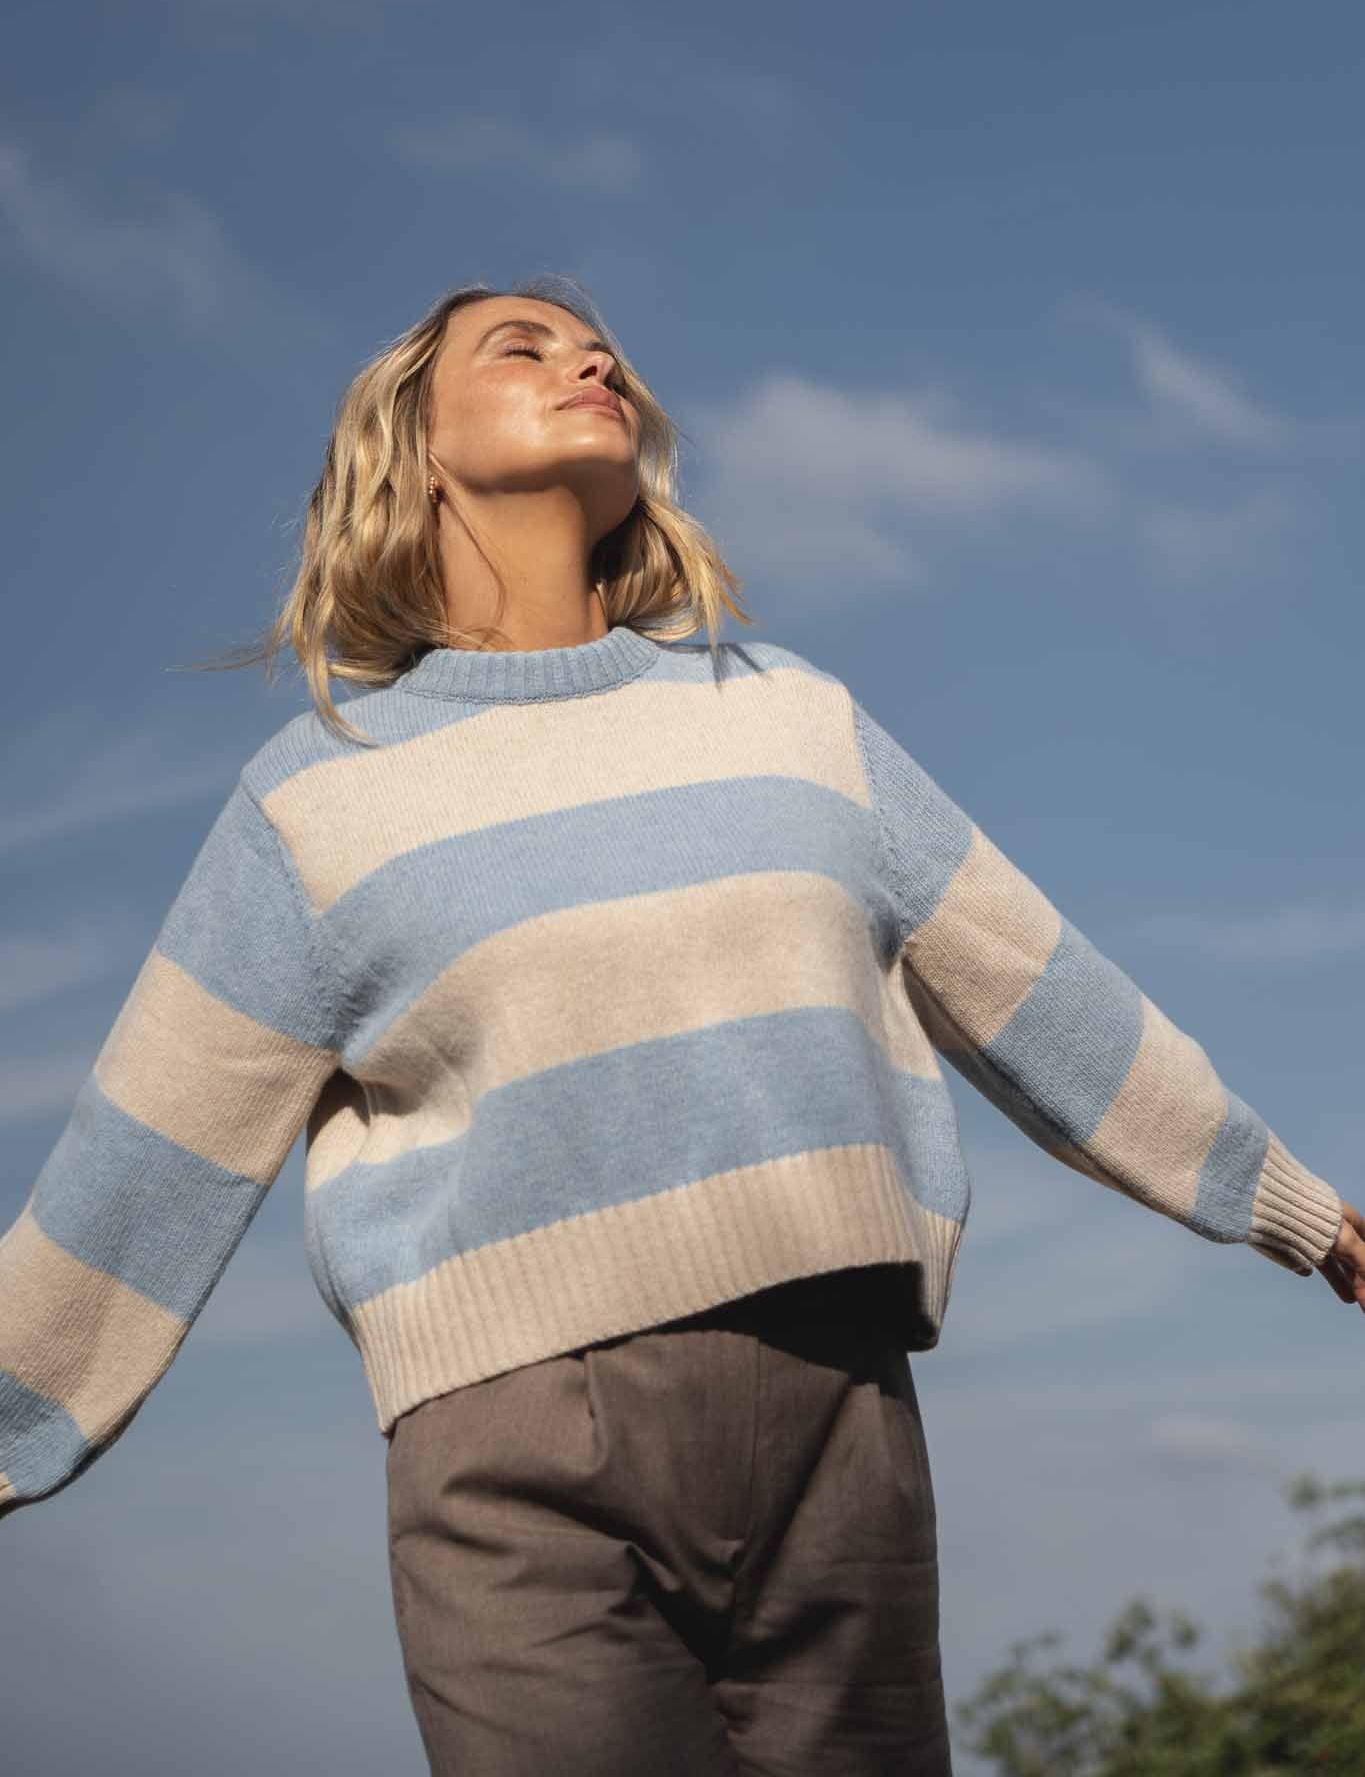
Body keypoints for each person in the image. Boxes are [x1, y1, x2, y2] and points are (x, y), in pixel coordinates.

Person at [1, 272, 1360, 1777]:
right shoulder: (316, 795)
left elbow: (1043, 991)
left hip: (843, 1427)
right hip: (514, 1462)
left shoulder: (787, 713)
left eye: (600, 352)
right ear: (413, 442)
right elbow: (149, 1157)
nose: (584, 358)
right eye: (520, 348)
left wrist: (1292, 1208)